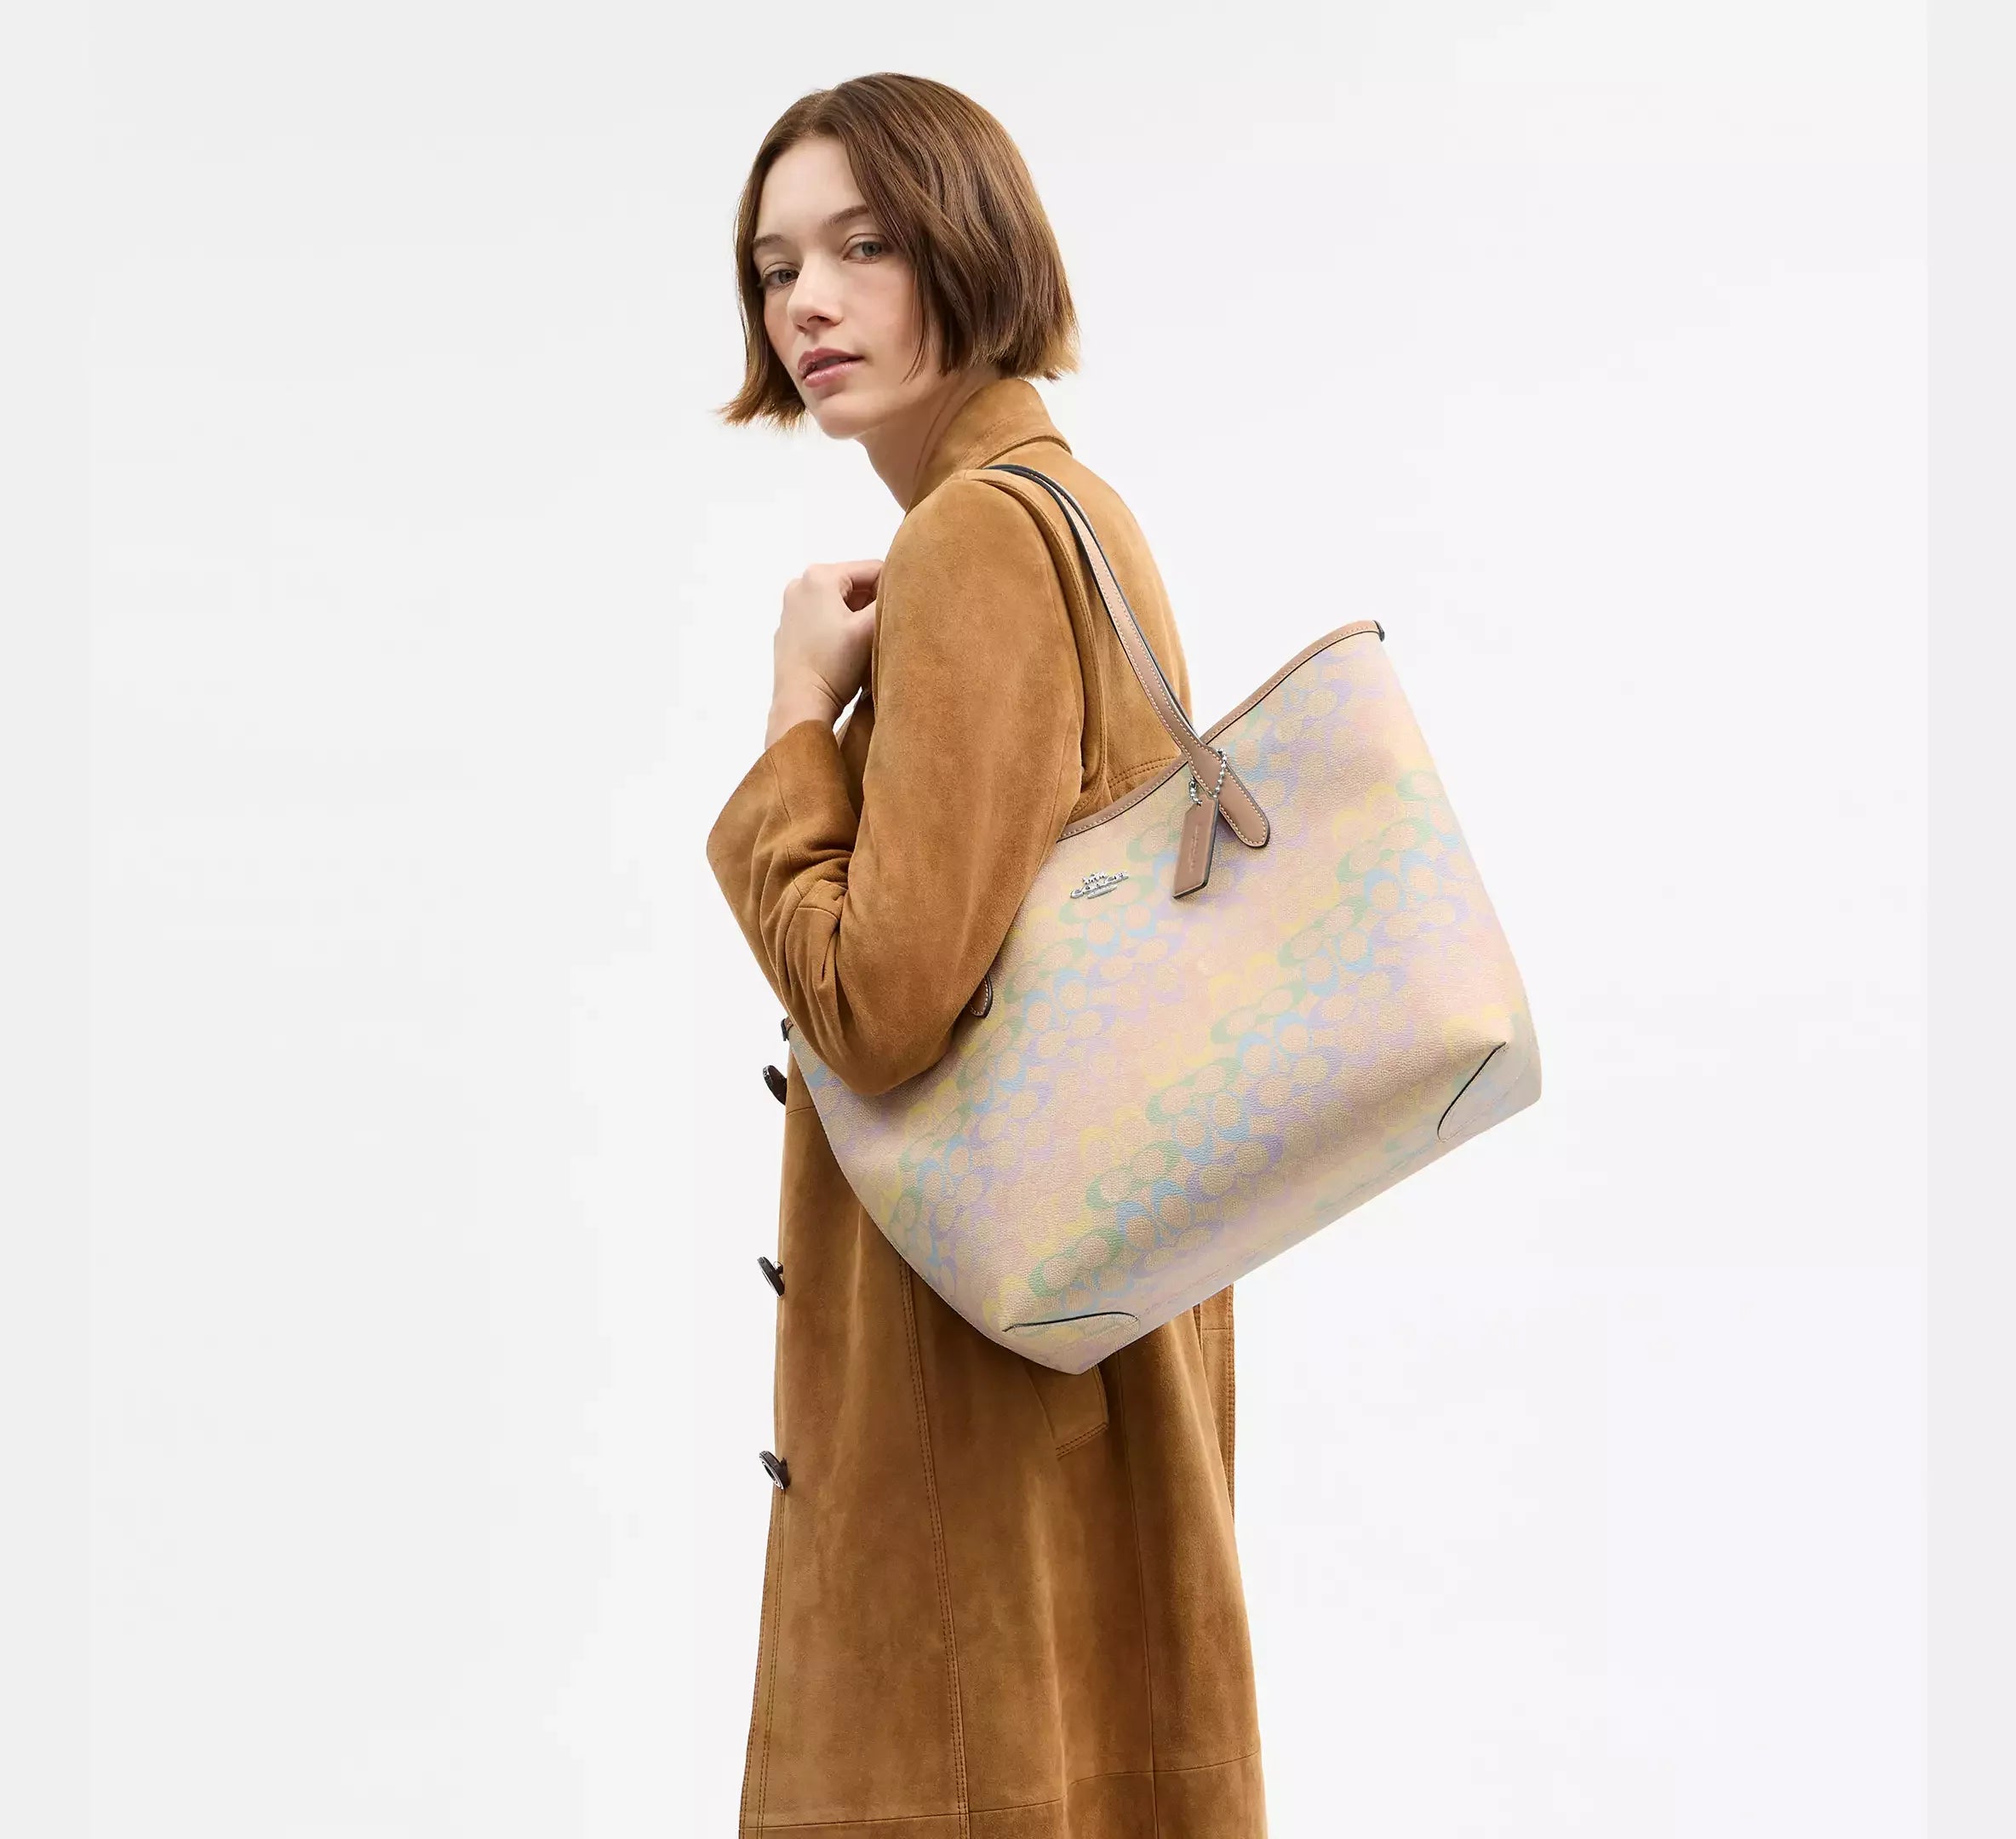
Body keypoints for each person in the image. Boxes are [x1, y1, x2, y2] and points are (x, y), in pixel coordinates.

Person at [705, 72, 1265, 1837]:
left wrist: (793, 723)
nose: (808, 302)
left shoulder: (973, 538)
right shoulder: (1074, 508)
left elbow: (880, 1008)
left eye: (863, 246)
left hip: (973, 1373)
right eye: (776, 265)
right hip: (1089, 1322)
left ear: (969, 243)